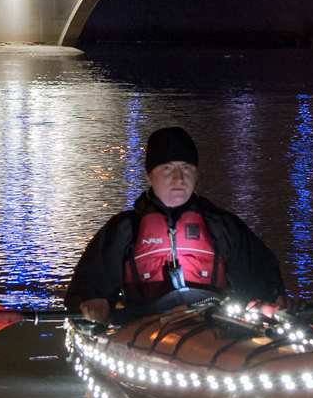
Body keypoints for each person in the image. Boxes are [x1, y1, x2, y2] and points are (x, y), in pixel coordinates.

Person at [66, 126, 288, 323]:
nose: (178, 178)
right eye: (167, 168)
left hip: (209, 324)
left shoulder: (221, 226)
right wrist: (90, 302)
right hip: (143, 326)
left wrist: (273, 300)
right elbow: (88, 286)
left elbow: (262, 278)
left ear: (196, 174)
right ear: (150, 175)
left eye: (186, 168)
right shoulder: (125, 229)